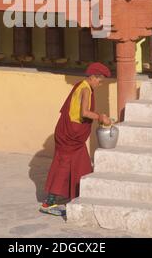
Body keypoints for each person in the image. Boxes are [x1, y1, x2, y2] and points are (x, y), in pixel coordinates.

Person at [39, 62, 112, 216]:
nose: (100, 83)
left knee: (81, 163)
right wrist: (101, 117)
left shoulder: (82, 85)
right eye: (100, 80)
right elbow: (84, 112)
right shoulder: (85, 89)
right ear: (92, 77)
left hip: (69, 133)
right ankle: (49, 202)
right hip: (70, 135)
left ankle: (81, 195)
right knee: (63, 165)